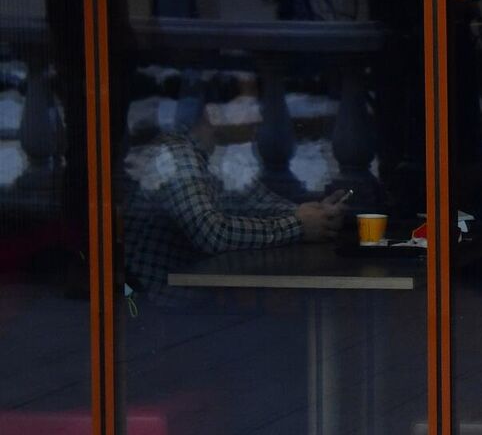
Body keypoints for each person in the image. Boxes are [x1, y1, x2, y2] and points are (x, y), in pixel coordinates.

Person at [121, 95, 348, 305]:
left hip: (184, 303)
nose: (259, 118)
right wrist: (298, 226)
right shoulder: (177, 158)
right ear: (213, 114)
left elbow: (247, 199)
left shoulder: (208, 155)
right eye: (248, 105)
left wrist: (312, 214)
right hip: (157, 310)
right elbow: (213, 234)